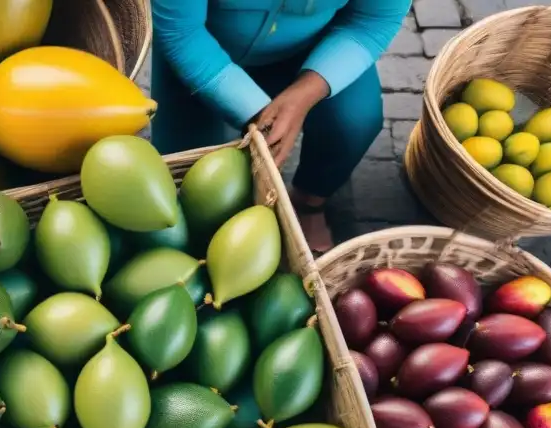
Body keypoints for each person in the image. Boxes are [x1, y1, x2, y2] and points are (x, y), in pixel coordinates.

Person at [151, 0, 411, 253]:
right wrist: (254, 112)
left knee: (354, 123)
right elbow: (182, 32)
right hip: (199, 49)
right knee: (187, 177)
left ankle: (309, 201)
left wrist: (305, 94)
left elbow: (373, 19)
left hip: (315, 47)